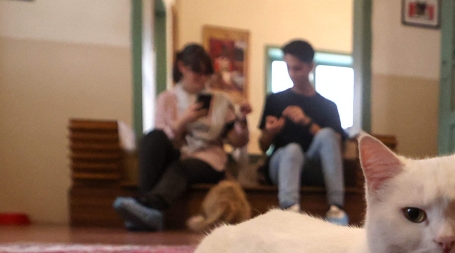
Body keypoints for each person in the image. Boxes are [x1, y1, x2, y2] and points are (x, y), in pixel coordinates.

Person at [114, 44, 250, 231]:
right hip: (176, 153)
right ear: (182, 68)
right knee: (151, 138)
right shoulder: (166, 99)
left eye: (206, 74)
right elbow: (161, 138)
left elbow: (237, 141)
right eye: (196, 72)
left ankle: (149, 208)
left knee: (182, 168)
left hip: (208, 160)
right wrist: (184, 120)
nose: (202, 79)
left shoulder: (220, 101)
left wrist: (241, 121)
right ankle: (145, 207)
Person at [259, 39, 348, 225]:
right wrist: (271, 132)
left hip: (314, 167)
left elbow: (337, 146)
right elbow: (263, 146)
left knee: (327, 134)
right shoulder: (275, 100)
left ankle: (336, 208)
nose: (292, 74)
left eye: (297, 68)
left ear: (310, 67)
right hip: (281, 166)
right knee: (292, 150)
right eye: (288, 68)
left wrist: (306, 121)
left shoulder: (328, 106)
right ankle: (290, 210)